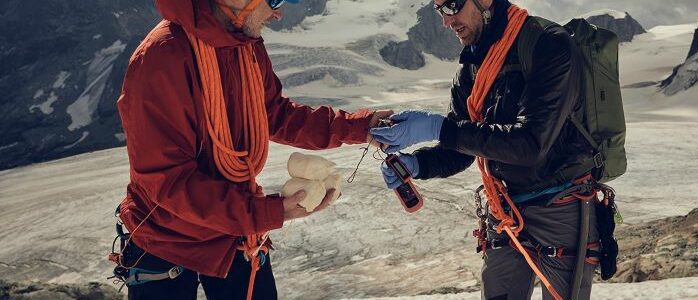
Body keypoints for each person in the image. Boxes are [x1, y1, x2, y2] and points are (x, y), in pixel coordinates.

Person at [112, 0, 390, 299]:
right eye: (273, 1)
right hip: (167, 241)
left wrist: (362, 127)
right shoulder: (161, 58)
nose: (278, 13)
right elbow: (168, 182)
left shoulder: (244, 43)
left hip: (235, 232)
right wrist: (266, 212)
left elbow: (273, 113)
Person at [370, 0, 604, 299]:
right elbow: (460, 149)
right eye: (440, 10)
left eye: (453, 6)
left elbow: (530, 144)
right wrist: (417, 164)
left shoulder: (549, 44)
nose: (447, 21)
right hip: (505, 209)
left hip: (561, 209)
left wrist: (437, 127)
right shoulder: (471, 67)